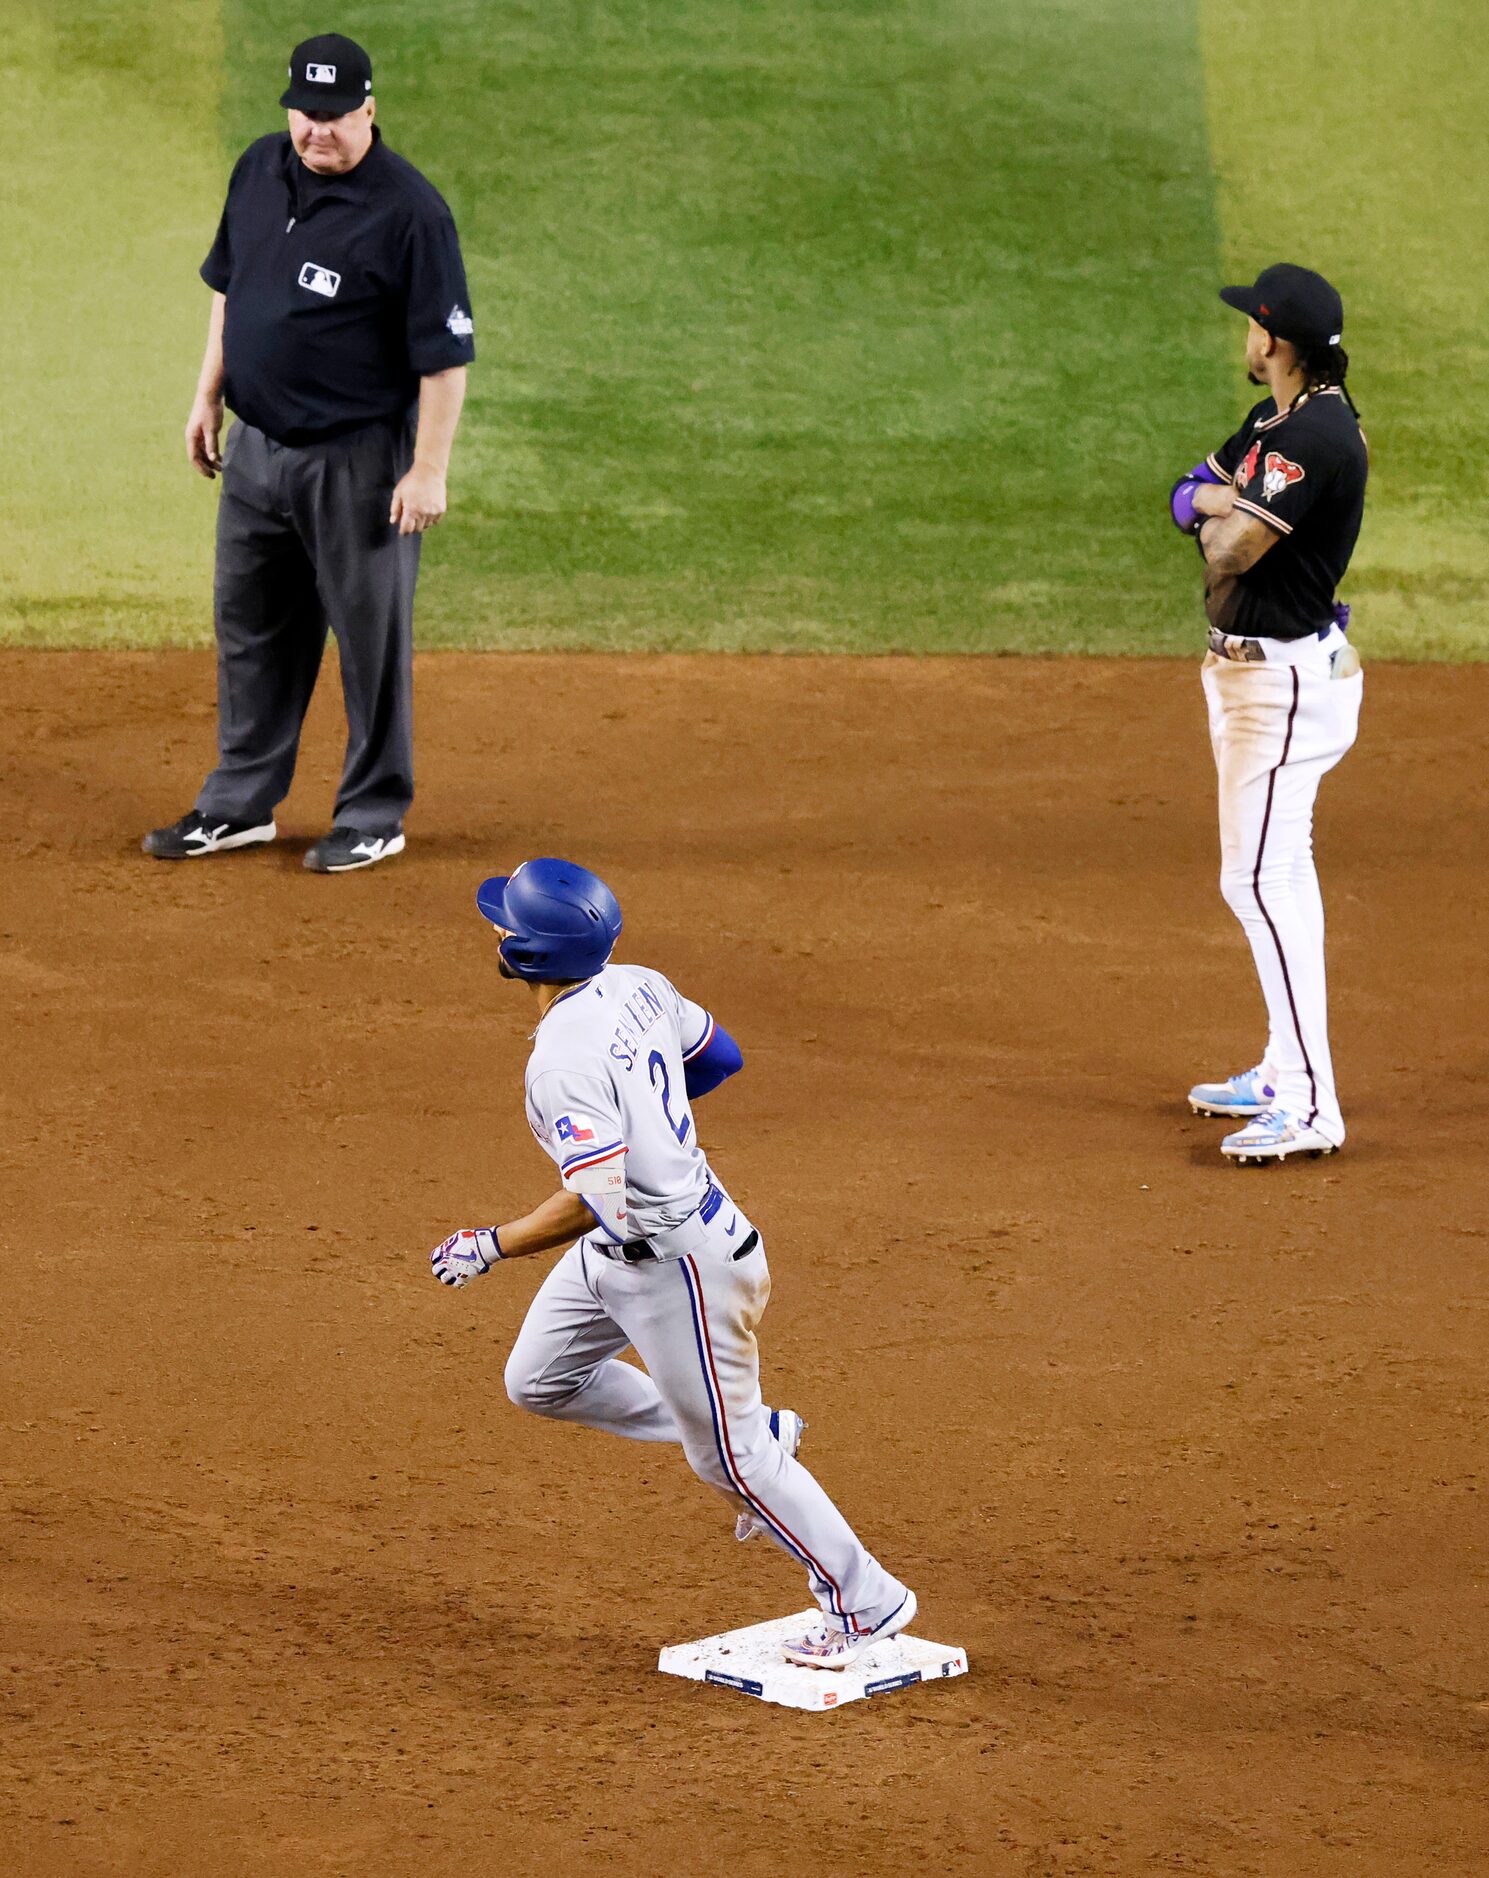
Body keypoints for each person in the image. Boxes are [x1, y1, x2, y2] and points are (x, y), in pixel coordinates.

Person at [427, 858, 918, 1669]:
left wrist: (492, 1244)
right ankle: (749, 1433)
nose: (495, 930)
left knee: (731, 1462)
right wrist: (651, 1127)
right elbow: (718, 1058)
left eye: (504, 924)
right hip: (622, 1251)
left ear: (527, 956)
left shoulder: (559, 1064)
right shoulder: (639, 984)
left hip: (680, 1268)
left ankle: (864, 1602)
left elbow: (594, 1198)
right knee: (540, 1381)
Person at [144, 34, 475, 873]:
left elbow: (443, 358)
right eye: (304, 112)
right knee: (251, 630)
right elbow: (231, 291)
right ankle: (239, 804)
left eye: (333, 116)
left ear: (369, 109)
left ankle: (373, 813)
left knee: (370, 645)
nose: (316, 131)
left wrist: (427, 468)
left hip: (357, 465)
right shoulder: (258, 169)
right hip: (256, 454)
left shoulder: (411, 214)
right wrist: (207, 394)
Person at [1169, 264, 1367, 1164]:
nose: (1243, 339)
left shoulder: (1315, 437)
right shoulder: (1271, 422)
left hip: (1280, 687)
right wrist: (1215, 503)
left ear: (1272, 341)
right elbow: (1188, 493)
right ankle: (1286, 1069)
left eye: (1250, 326)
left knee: (1254, 881)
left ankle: (1312, 1103)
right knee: (1276, 871)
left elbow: (1227, 545)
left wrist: (1217, 511)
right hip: (1253, 683)